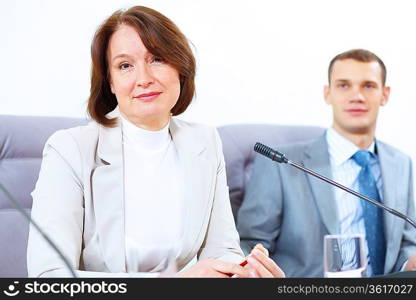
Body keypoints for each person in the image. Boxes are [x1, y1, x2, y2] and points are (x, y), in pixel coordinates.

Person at [27, 6, 284, 278]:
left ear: (180, 68)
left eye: (157, 59)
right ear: (110, 82)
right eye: (125, 66)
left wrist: (243, 272)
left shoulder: (204, 142)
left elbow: (222, 251)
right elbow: (48, 277)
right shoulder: (70, 149)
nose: (144, 79)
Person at [237, 49, 416, 277]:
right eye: (343, 85)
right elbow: (250, 244)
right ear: (327, 93)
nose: (357, 96)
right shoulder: (280, 164)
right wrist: (252, 264)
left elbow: (407, 243)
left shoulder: (401, 163)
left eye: (368, 86)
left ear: (385, 94)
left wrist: (409, 264)